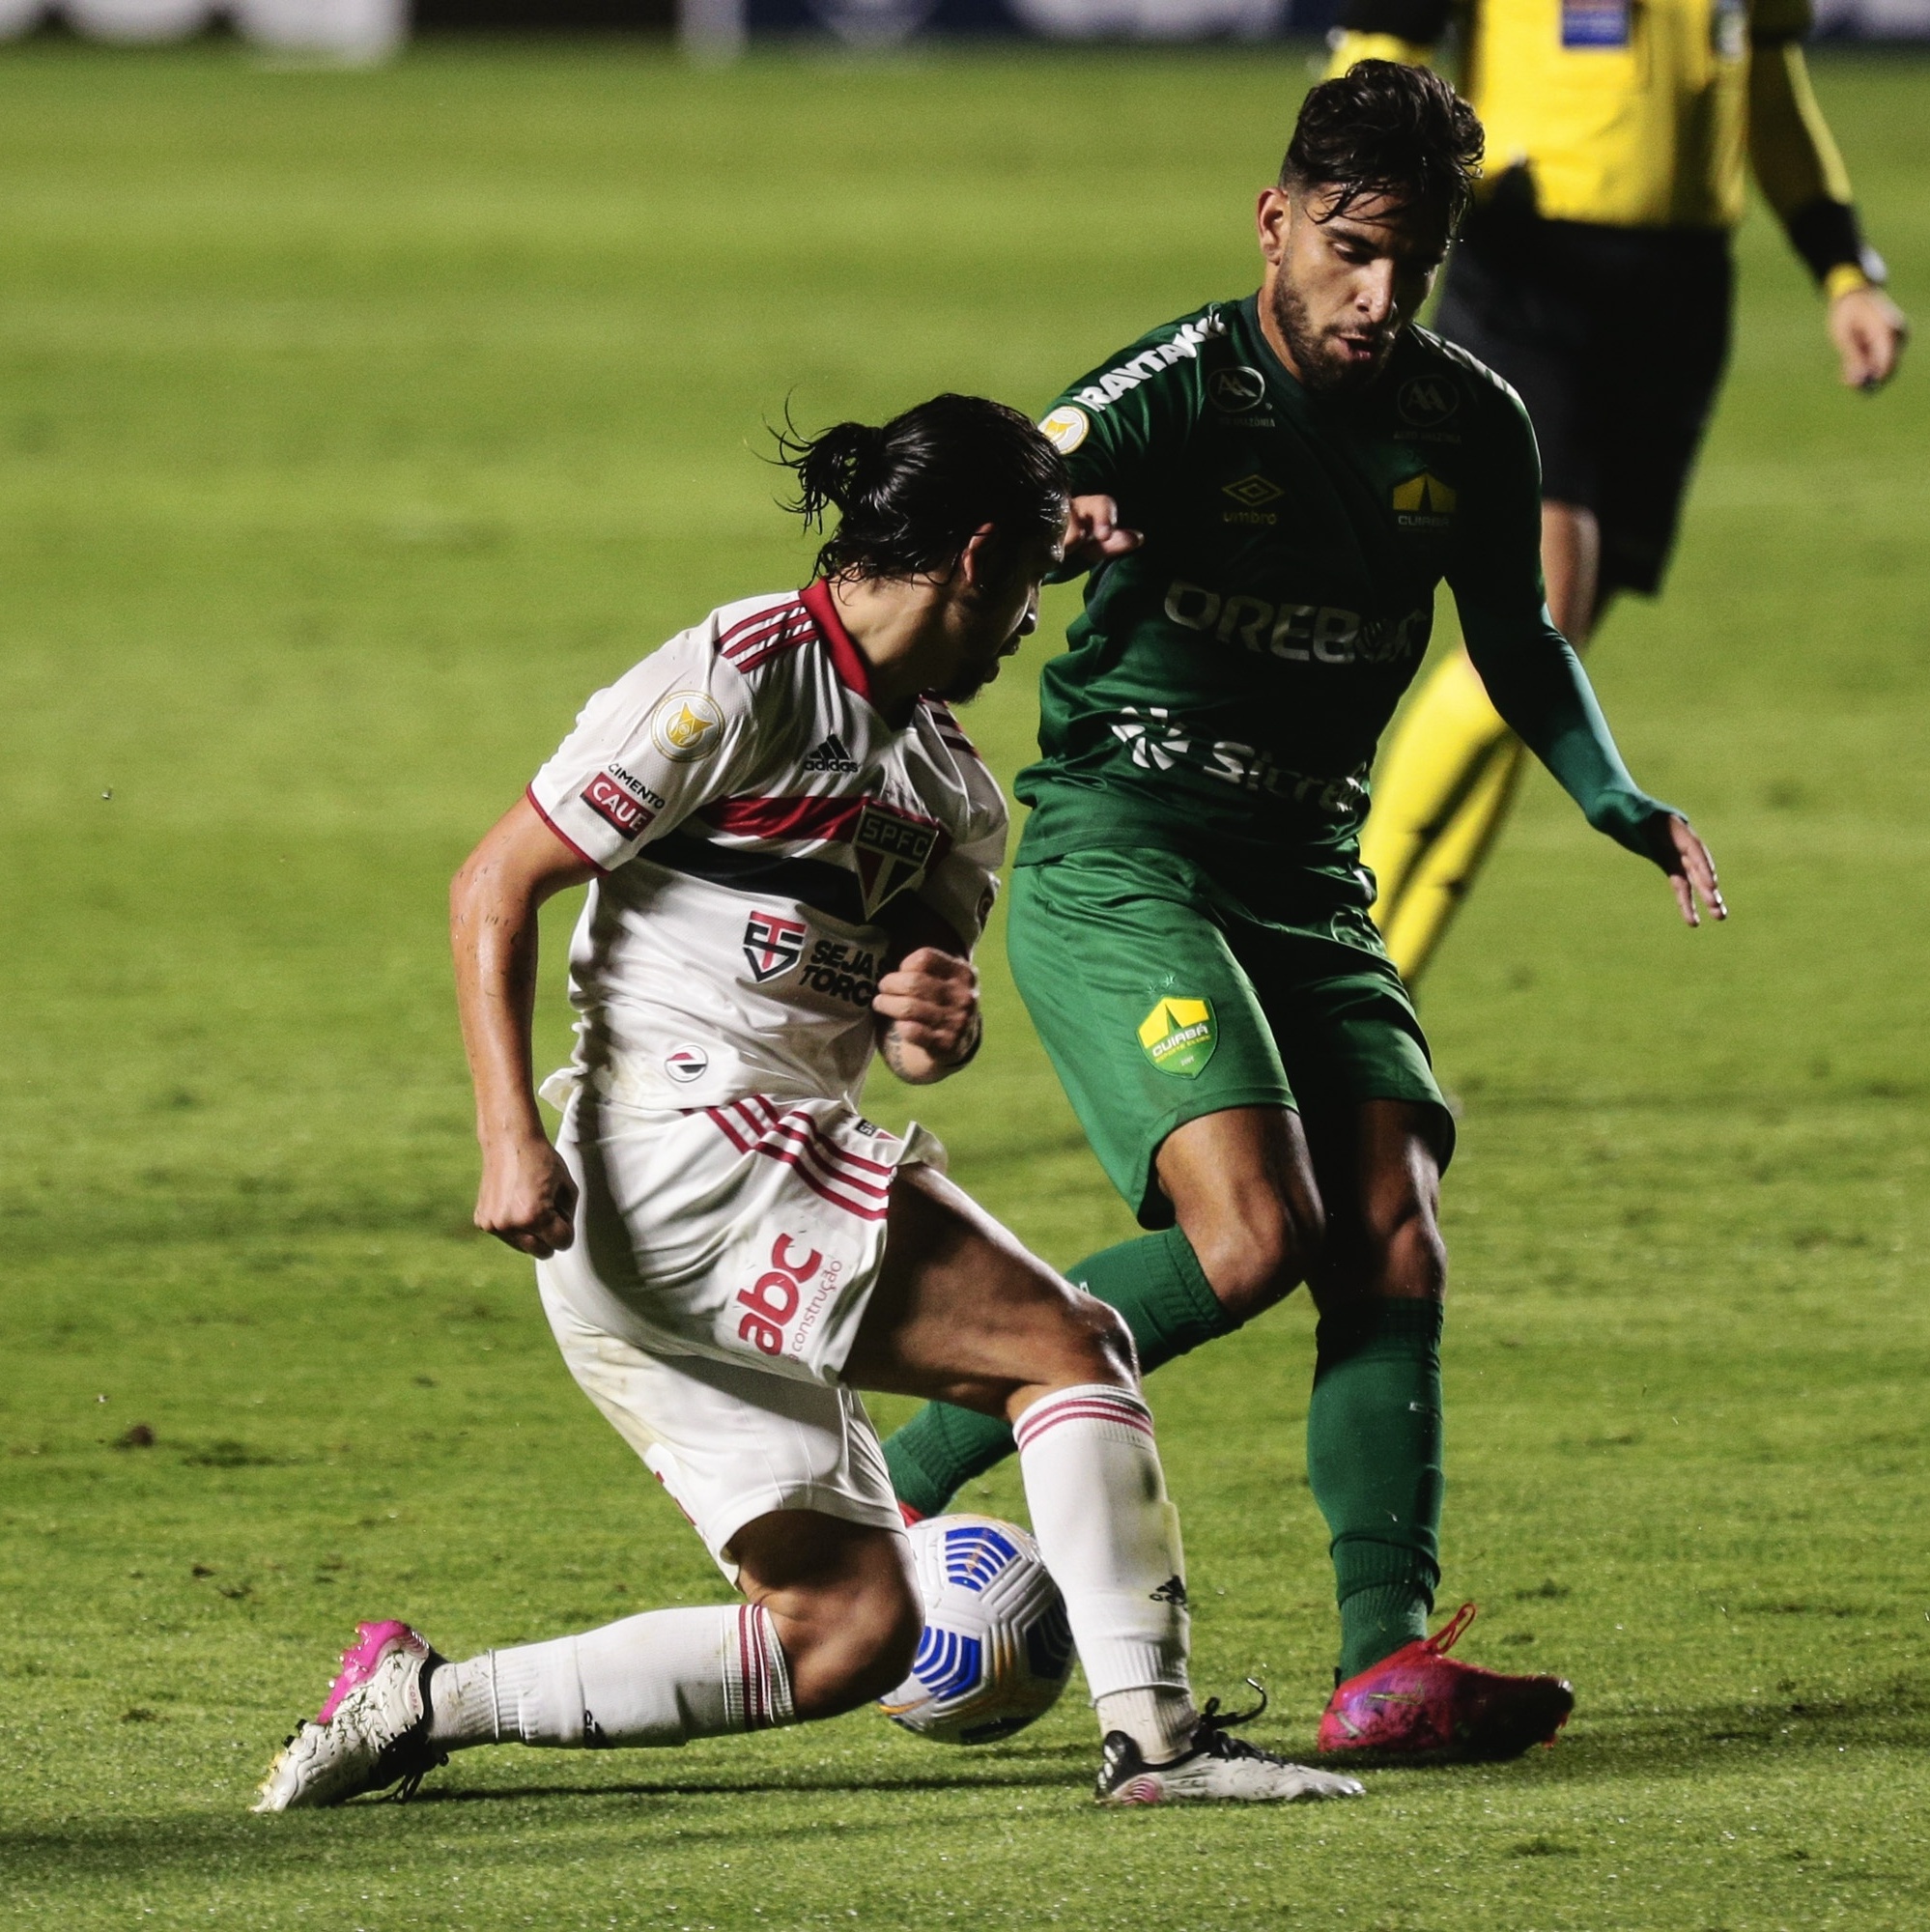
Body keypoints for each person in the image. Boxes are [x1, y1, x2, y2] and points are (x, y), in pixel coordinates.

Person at [251, 393, 1365, 1813]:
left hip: (684, 1210)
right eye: (1030, 577)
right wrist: (505, 1132)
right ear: (973, 556)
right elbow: (495, 882)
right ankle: (1155, 1744)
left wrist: (930, 1021)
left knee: (847, 1634)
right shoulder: (744, 670)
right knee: (1066, 1349)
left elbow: (913, 1023)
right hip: (676, 1148)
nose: (1032, 621)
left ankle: (425, 1700)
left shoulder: (954, 793)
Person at [878, 66, 1724, 1760]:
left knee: (1393, 1215)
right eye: (1348, 250)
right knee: (1252, 1238)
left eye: (1409, 263)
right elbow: (1008, 483)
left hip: (1304, 875)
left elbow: (1516, 633)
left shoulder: (1467, 423)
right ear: (1274, 222)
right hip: (1128, 852)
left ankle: (1379, 1662)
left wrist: (1611, 793)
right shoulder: (1182, 386)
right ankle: (877, 1487)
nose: (1375, 297)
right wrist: (1058, 522)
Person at [1331, 0, 1906, 980]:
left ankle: (1378, 1010)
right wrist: (1355, 226)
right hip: (1530, 260)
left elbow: (1764, 84)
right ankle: (1331, 970)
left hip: (1677, 289)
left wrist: (1843, 268)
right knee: (1531, 623)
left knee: (1556, 640)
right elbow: (1381, 48)